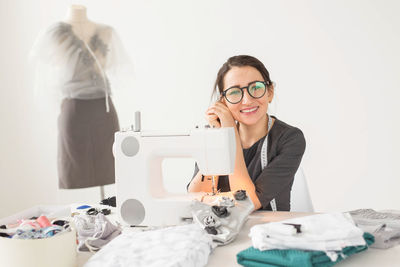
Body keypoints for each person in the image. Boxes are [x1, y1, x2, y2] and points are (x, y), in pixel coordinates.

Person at [187, 55, 306, 211]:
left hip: (269, 230)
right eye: (235, 92)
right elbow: (194, 196)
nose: (247, 100)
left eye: (256, 87)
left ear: (269, 93)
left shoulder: (290, 139)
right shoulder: (213, 137)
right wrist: (220, 136)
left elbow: (247, 203)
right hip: (222, 229)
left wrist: (230, 131)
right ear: (223, 101)